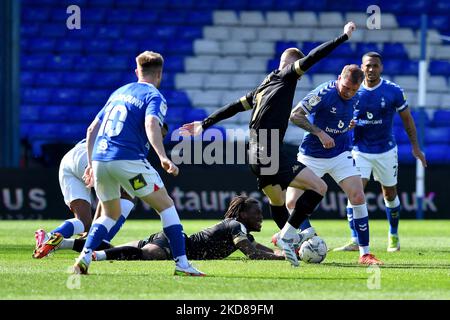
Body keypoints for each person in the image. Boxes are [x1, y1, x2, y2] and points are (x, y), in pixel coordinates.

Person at [180, 22, 357, 267]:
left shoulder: (263, 85)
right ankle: (288, 235)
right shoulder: (287, 75)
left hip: (254, 151)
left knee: (277, 200)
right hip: (268, 147)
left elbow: (234, 106)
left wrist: (205, 123)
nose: (300, 71)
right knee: (319, 188)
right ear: (293, 64)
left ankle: (289, 237)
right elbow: (316, 56)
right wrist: (343, 37)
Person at [74, 51, 205, 276]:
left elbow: (91, 129)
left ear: (137, 71)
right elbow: (151, 123)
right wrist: (163, 156)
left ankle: (84, 257)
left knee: (109, 214)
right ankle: (182, 264)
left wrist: (90, 164)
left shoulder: (118, 92)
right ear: (160, 74)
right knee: (166, 205)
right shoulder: (154, 96)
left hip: (100, 160)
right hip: (128, 160)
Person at [287, 64, 383, 265]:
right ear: (339, 77)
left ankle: (365, 253)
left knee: (357, 196)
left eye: (353, 90)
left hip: (340, 154)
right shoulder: (323, 92)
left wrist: (350, 124)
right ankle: (307, 237)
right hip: (312, 154)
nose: (348, 93)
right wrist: (319, 133)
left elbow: (349, 115)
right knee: (291, 202)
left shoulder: (358, 96)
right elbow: (295, 115)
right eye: (346, 87)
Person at [333, 52, 427, 252]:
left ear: (381, 68)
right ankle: (355, 239)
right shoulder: (353, 91)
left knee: (390, 193)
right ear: (362, 67)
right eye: (368, 66)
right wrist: (347, 126)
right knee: (355, 192)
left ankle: (393, 235)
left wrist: (415, 147)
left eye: (375, 66)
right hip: (360, 150)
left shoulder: (393, 91)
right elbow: (341, 117)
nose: (371, 69)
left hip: (386, 150)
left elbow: (408, 120)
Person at [55, 196, 286, 262]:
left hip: (168, 239)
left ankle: (62, 242)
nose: (261, 219)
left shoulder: (239, 230)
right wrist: (279, 258)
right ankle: (95, 256)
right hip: (174, 244)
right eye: (258, 214)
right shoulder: (236, 226)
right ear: (243, 214)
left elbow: (257, 246)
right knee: (146, 256)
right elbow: (252, 253)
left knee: (122, 250)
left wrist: (277, 253)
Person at [33, 139, 135, 259]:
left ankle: (49, 237)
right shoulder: (135, 136)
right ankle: (103, 239)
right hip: (92, 156)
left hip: (70, 159)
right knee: (127, 193)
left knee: (84, 222)